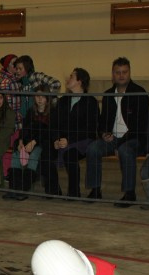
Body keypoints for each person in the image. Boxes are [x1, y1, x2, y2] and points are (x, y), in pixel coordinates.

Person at [85, 57, 149, 207]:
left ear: (129, 73)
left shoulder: (139, 93)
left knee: (125, 151)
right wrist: (103, 133)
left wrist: (120, 143)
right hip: (113, 138)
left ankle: (129, 194)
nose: (121, 75)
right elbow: (102, 121)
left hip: (134, 139)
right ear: (112, 74)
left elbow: (141, 125)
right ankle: (95, 190)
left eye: (124, 72)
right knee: (93, 148)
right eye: (117, 72)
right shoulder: (108, 95)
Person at [47, 68, 99, 199]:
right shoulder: (63, 101)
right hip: (63, 140)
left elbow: (90, 128)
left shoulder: (91, 101)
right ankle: (53, 189)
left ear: (79, 81)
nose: (68, 79)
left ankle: (74, 192)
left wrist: (69, 140)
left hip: (83, 140)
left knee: (70, 155)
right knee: (47, 152)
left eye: (71, 77)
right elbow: (54, 123)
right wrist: (56, 139)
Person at [4, 87, 52, 201]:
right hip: (28, 140)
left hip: (43, 143)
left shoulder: (53, 112)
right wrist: (21, 141)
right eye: (37, 96)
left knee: (34, 156)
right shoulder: (31, 111)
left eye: (42, 96)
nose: (39, 99)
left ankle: (24, 189)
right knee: (16, 154)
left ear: (47, 98)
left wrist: (34, 142)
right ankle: (13, 188)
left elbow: (49, 132)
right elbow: (24, 128)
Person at [11, 55, 61, 130]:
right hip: (27, 118)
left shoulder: (36, 76)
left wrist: (44, 95)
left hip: (42, 116)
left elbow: (56, 84)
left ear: (27, 68)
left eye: (20, 69)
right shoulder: (19, 82)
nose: (17, 71)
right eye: (16, 68)